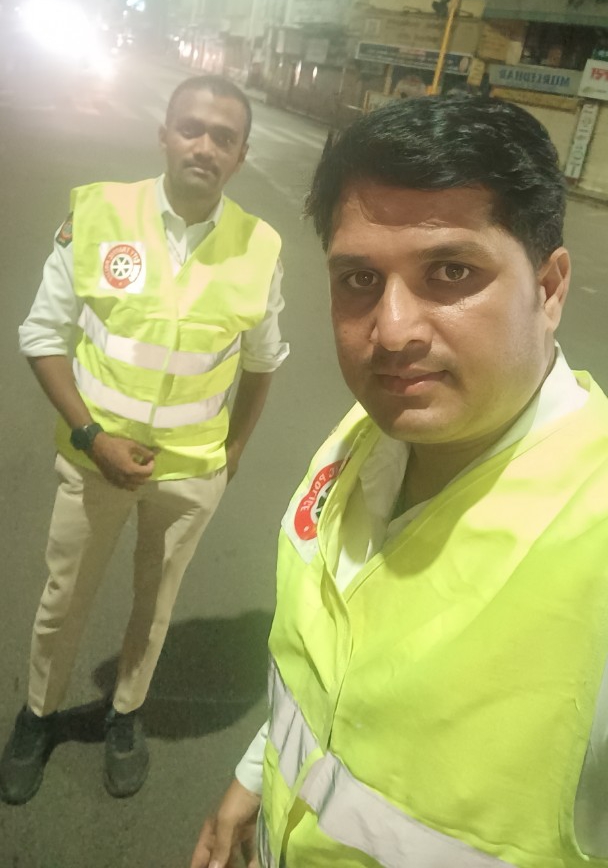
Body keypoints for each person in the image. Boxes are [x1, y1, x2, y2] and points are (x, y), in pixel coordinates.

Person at [191, 97, 608, 868]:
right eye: (359, 278)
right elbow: (331, 676)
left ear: (549, 289)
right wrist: (256, 775)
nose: (392, 332)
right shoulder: (367, 434)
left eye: (451, 272)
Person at [0, 73, 288, 806]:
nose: (205, 146)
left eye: (224, 137)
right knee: (65, 597)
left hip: (191, 473)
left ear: (241, 154)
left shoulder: (259, 247)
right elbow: (42, 335)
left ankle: (126, 712)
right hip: (95, 460)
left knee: (156, 604)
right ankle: (37, 715)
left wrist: (232, 455)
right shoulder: (99, 214)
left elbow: (263, 363)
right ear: (164, 134)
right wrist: (92, 437)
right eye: (191, 128)